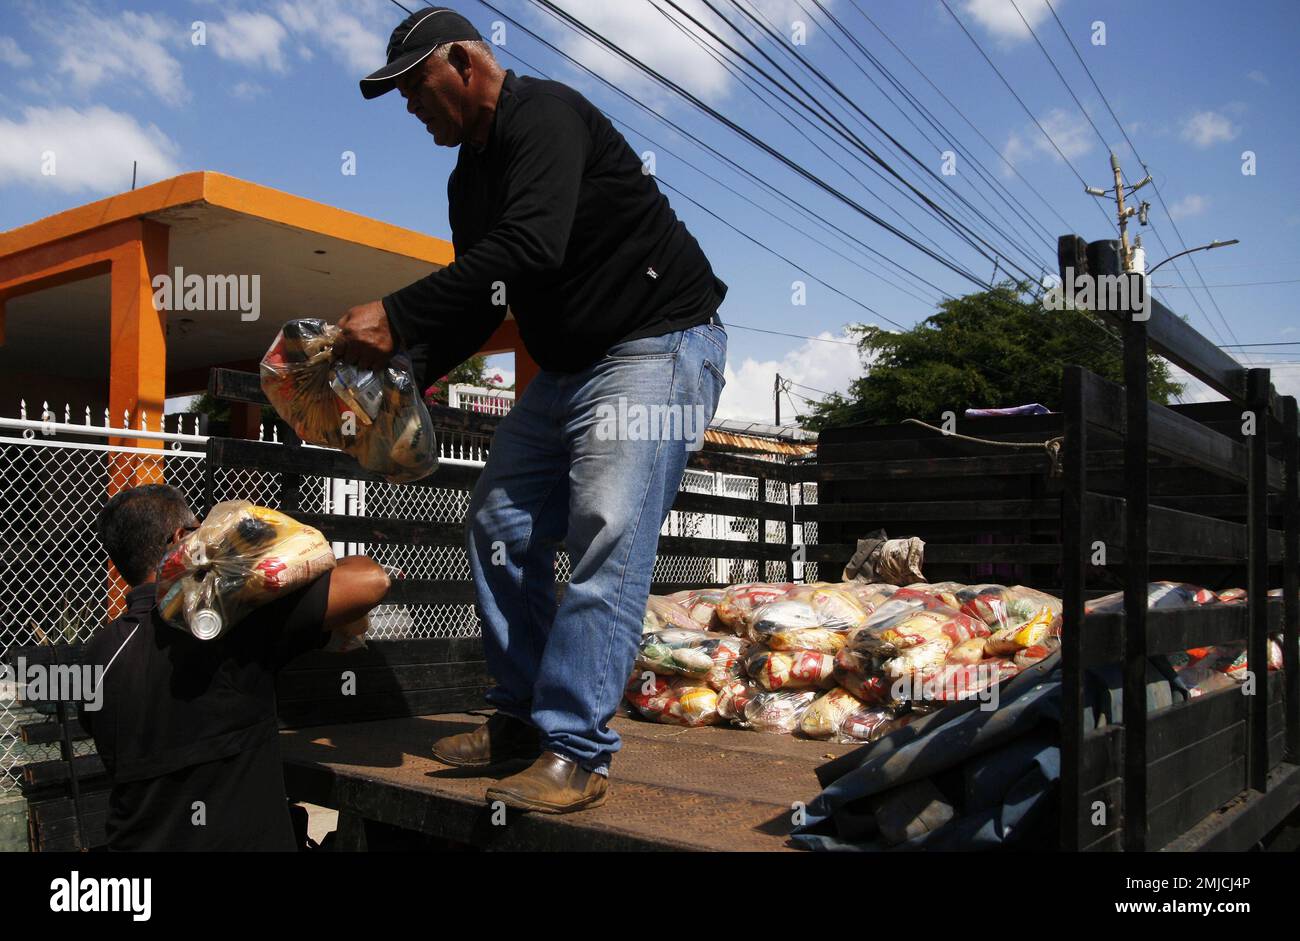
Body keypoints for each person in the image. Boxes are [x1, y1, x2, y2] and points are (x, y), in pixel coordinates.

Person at [343, 6, 728, 813]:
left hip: (656, 344)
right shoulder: (466, 179)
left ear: (462, 63)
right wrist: (405, 376)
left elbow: (533, 245)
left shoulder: (544, 116)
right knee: (498, 523)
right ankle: (522, 719)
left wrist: (397, 313)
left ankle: (577, 748)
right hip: (569, 366)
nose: (411, 108)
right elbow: (489, 297)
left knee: (607, 530)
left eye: (416, 87)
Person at [80, 484, 390, 851]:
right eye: (198, 529)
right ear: (182, 540)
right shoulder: (227, 617)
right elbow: (371, 580)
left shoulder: (97, 657)